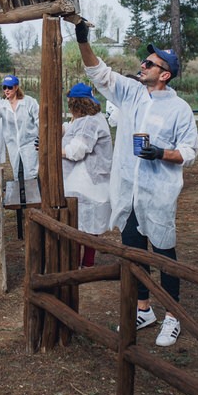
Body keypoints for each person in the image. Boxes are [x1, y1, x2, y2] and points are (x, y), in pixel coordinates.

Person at [75, 19, 198, 348]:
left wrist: (160, 152)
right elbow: (99, 73)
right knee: (133, 251)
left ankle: (173, 315)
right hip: (127, 193)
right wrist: (82, 40)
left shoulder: (179, 110)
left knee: (164, 255)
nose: (141, 66)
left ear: (165, 74)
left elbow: (190, 151)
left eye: (150, 63)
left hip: (157, 195)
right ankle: (143, 309)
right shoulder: (130, 94)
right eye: (144, 61)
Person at [61, 83, 113, 268]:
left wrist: (53, 150)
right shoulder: (91, 118)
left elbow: (78, 150)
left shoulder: (90, 122)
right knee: (87, 227)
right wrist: (63, 129)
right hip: (89, 181)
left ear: (76, 104)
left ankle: (80, 265)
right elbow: (74, 127)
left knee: (81, 227)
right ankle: (85, 262)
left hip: (87, 183)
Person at [0, 75, 39, 202]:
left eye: (9, 87)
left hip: (30, 142)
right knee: (16, 172)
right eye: (4, 87)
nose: (6, 90)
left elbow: (39, 119)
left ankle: (33, 202)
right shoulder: (2, 105)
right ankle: (20, 201)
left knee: (31, 172)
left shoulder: (28, 102)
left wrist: (41, 136)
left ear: (16, 87)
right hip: (13, 145)